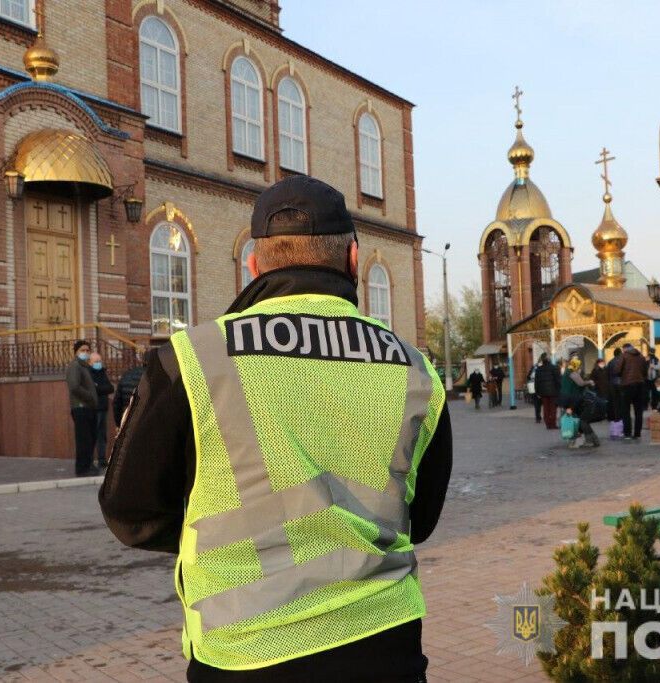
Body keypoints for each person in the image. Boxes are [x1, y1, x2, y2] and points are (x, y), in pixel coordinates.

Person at [100, 175, 452, 683]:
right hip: (384, 643)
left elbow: (130, 511)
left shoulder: (193, 360)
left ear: (253, 265)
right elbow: (421, 517)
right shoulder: (416, 369)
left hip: (245, 652)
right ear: (353, 260)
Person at [66, 340, 99, 476]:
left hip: (88, 408)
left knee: (90, 438)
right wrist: (90, 396)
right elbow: (74, 387)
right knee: (83, 439)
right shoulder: (75, 366)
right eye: (82, 350)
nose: (85, 353)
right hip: (81, 407)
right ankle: (82, 468)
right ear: (76, 352)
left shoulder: (85, 366)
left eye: (87, 350)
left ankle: (89, 465)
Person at [558, 358, 599, 448]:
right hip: (572, 400)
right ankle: (586, 440)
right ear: (576, 365)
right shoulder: (572, 372)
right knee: (579, 420)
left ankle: (588, 439)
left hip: (568, 399)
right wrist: (589, 382)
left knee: (579, 420)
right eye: (579, 365)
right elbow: (580, 383)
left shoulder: (568, 372)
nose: (580, 367)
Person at [614, 343, 650, 441]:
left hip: (627, 385)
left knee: (625, 410)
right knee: (638, 411)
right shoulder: (641, 356)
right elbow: (645, 371)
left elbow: (617, 370)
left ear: (624, 349)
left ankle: (628, 433)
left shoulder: (624, 356)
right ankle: (637, 433)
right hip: (640, 384)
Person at [88, 352, 115, 469]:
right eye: (96, 361)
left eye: (99, 361)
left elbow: (110, 388)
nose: (98, 363)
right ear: (90, 362)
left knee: (102, 435)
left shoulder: (102, 372)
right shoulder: (88, 373)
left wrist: (99, 388)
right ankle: (89, 460)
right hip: (93, 408)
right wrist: (100, 389)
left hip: (103, 408)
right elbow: (92, 389)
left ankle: (102, 459)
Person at [113, 353, 147, 428]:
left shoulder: (127, 374)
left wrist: (118, 423)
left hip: (127, 416)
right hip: (146, 417)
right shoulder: (153, 376)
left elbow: (117, 403)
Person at [534, 353, 562, 430]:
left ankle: (548, 424)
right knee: (553, 408)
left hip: (543, 392)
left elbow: (536, 382)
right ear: (549, 359)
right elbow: (558, 381)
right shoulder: (554, 368)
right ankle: (553, 424)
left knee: (546, 408)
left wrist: (537, 392)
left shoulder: (538, 369)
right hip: (553, 392)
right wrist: (559, 390)